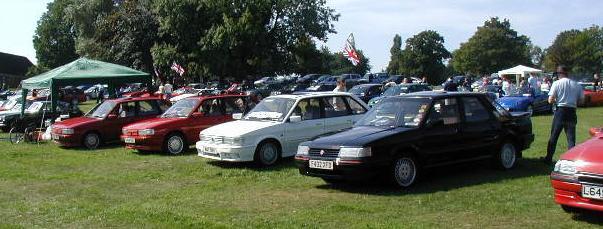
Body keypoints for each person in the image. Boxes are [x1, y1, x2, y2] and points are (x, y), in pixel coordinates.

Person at [542, 66, 585, 164]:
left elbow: (550, 100)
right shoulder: (577, 85)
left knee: (554, 136)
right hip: (572, 111)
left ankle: (548, 158)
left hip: (560, 111)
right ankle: (572, 159)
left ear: (559, 74)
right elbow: (582, 101)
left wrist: (558, 100)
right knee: (571, 138)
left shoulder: (556, 83)